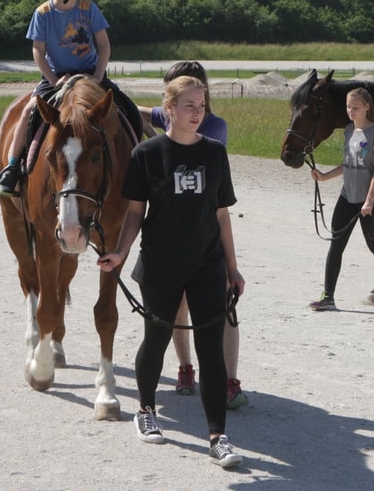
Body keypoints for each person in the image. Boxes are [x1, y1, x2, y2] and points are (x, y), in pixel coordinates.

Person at [97, 75, 245, 468]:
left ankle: (218, 437)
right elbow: (134, 213)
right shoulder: (147, 154)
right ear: (170, 110)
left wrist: (233, 267)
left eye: (202, 106)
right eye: (189, 106)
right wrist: (120, 253)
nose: (197, 113)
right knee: (157, 337)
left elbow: (222, 214)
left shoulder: (215, 153)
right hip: (161, 262)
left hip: (207, 265)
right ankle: (146, 409)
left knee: (211, 350)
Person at [136, 61, 247, 410]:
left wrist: (158, 146)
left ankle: (229, 379)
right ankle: (185, 368)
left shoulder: (214, 128)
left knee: (221, 311)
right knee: (176, 308)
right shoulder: (170, 115)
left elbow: (188, 161)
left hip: (204, 229)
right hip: (171, 240)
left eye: (198, 102)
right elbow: (145, 115)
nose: (194, 110)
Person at [0, 0, 134, 196]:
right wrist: (53, 79)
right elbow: (38, 51)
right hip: (56, 77)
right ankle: (12, 168)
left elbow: (103, 45)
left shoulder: (88, 8)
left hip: (91, 73)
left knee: (126, 107)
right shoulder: (43, 12)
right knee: (27, 111)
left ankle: (137, 164)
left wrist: (98, 76)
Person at [308, 87, 374, 311]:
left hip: (369, 200)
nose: (351, 111)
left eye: (355, 107)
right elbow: (349, 165)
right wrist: (324, 176)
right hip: (347, 196)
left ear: (367, 107)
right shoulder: (350, 130)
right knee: (336, 245)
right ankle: (328, 296)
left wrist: (369, 200)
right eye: (348, 107)